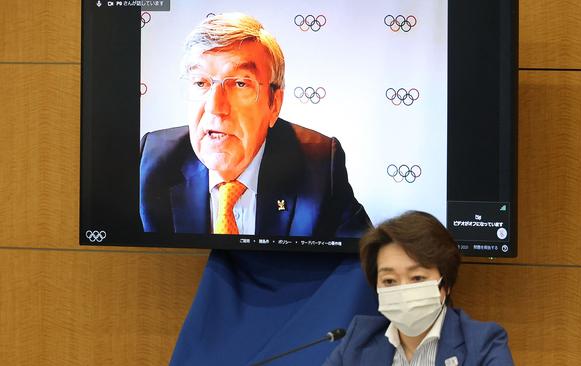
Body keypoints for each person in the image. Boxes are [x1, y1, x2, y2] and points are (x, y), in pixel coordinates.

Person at [139, 12, 370, 237]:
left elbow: (364, 261)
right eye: (201, 83)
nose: (215, 106)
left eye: (240, 84)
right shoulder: (151, 161)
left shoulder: (319, 165)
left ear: (274, 105)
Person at [324, 211, 514, 365]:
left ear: (445, 284)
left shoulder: (483, 343)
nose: (403, 290)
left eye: (417, 278)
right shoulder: (358, 341)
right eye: (389, 281)